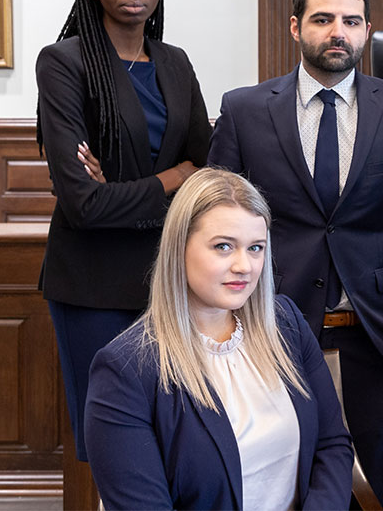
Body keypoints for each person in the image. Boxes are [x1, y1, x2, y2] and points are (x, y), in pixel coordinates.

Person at [208, 0, 383, 508]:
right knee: (279, 478)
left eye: (351, 21)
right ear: (295, 27)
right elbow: (217, 226)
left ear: (367, 30)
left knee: (370, 482)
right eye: (322, 19)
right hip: (270, 330)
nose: (337, 31)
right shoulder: (245, 110)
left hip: (378, 335)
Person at [35, 0, 210, 462]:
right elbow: (84, 205)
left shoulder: (174, 62)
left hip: (171, 281)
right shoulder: (65, 62)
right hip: (94, 286)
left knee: (179, 437)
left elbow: (207, 169)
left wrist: (138, 186)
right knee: (113, 443)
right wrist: (170, 179)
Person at [84, 168, 353, 509]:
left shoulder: (286, 324)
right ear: (179, 248)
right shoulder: (125, 371)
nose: (245, 265)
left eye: (256, 248)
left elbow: (332, 446)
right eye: (223, 247)